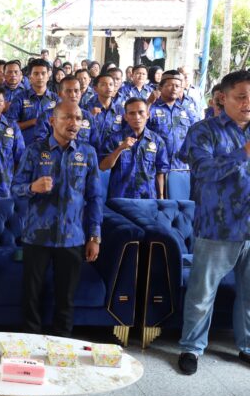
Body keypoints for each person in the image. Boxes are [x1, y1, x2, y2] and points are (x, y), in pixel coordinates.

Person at [177, 70, 250, 375]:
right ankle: (191, 348)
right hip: (217, 226)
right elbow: (203, 171)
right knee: (202, 294)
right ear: (223, 97)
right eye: (241, 97)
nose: (248, 103)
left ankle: (246, 346)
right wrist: (242, 154)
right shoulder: (203, 131)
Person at [12, 101, 103, 337]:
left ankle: (62, 343)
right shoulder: (34, 150)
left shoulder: (87, 153)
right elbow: (15, 189)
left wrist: (94, 236)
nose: (74, 123)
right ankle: (30, 341)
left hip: (72, 237)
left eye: (78, 119)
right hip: (37, 235)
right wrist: (32, 187)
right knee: (31, 296)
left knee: (66, 298)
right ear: (53, 121)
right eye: (67, 118)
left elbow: (95, 197)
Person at [99, 98, 169, 199]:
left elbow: (160, 171)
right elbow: (103, 166)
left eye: (141, 112)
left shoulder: (157, 141)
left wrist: (161, 197)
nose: (137, 117)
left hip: (148, 199)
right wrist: (120, 149)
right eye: (132, 113)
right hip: (120, 199)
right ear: (126, 117)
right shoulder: (113, 139)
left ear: (148, 114)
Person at [147, 70, 199, 171]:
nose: (174, 89)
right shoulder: (151, 109)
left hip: (180, 168)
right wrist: (148, 103)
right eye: (170, 85)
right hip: (155, 167)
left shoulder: (185, 111)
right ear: (160, 87)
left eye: (177, 86)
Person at [6, 59, 59, 145]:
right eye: (36, 73)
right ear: (30, 77)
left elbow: (63, 124)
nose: (40, 77)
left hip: (51, 147)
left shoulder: (56, 99)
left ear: (48, 76)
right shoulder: (20, 98)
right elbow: (10, 126)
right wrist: (32, 122)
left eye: (43, 73)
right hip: (25, 146)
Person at [34, 76, 96, 146]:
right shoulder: (47, 116)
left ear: (81, 93)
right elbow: (40, 145)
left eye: (76, 91)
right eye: (68, 91)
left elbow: (95, 145)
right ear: (60, 94)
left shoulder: (88, 116)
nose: (73, 95)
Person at [84, 74, 125, 155]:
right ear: (95, 89)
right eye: (103, 85)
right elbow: (81, 133)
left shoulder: (120, 110)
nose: (108, 87)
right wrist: (89, 117)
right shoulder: (87, 108)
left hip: (113, 154)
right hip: (91, 154)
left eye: (111, 84)